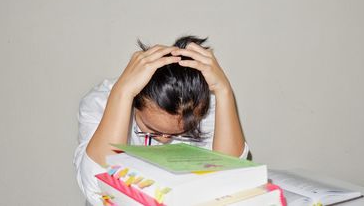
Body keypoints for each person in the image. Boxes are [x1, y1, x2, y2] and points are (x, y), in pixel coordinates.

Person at [73, 35, 250, 206]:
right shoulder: (103, 102)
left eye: (182, 132)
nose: (165, 139)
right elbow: (98, 193)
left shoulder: (206, 105)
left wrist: (224, 90)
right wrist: (123, 93)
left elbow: (230, 180)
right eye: (151, 129)